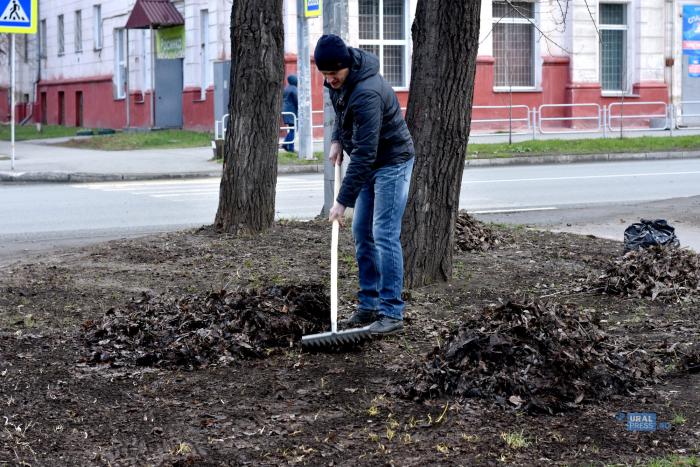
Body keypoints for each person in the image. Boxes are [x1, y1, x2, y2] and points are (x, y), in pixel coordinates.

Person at [314, 34, 415, 335]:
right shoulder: (341, 81)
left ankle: (392, 312)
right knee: (362, 232)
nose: (330, 80)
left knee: (383, 233)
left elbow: (365, 154)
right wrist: (336, 140)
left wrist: (341, 201)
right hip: (371, 162)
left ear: (345, 66)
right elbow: (341, 112)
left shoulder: (368, 93)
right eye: (325, 75)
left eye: (333, 74)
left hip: (391, 162)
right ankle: (368, 305)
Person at [281, 74, 298, 152]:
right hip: (291, 112)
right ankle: (290, 148)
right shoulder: (294, 89)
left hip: (285, 111)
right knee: (293, 130)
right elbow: (296, 101)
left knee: (291, 129)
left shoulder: (286, 88)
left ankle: (285, 144)